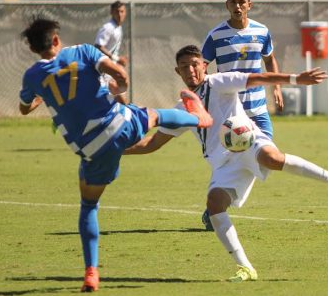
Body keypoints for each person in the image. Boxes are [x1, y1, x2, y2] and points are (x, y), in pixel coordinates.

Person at [125, 45, 328, 282]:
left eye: (194, 64)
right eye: (184, 66)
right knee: (214, 204)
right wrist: (111, 150)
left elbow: (258, 78)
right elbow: (151, 144)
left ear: (204, 65)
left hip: (248, 140)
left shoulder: (219, 82)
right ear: (177, 72)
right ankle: (245, 267)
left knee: (272, 158)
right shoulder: (182, 109)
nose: (191, 70)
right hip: (223, 163)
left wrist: (296, 80)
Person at [19, 18, 212, 292]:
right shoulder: (83, 52)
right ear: (56, 40)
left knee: (88, 206)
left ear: (33, 48)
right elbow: (121, 75)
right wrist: (116, 88)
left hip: (89, 148)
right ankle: (199, 119)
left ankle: (91, 272)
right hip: (118, 124)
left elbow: (24, 108)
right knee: (154, 115)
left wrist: (42, 97)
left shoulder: (32, 77)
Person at [200, 0, 283, 229]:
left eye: (241, 2)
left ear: (250, 5)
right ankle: (213, 209)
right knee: (229, 162)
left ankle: (216, 206)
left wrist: (276, 88)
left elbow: (270, 59)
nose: (238, 6)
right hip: (230, 112)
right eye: (233, 2)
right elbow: (201, 68)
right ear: (227, 5)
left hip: (258, 109)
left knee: (263, 158)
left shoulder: (262, 31)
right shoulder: (215, 35)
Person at [94, 0, 128, 67]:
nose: (119, 14)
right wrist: (117, 59)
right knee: (124, 77)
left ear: (125, 13)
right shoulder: (108, 27)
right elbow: (98, 46)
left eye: (122, 11)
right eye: (117, 11)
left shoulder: (118, 27)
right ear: (111, 12)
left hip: (111, 65)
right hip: (103, 67)